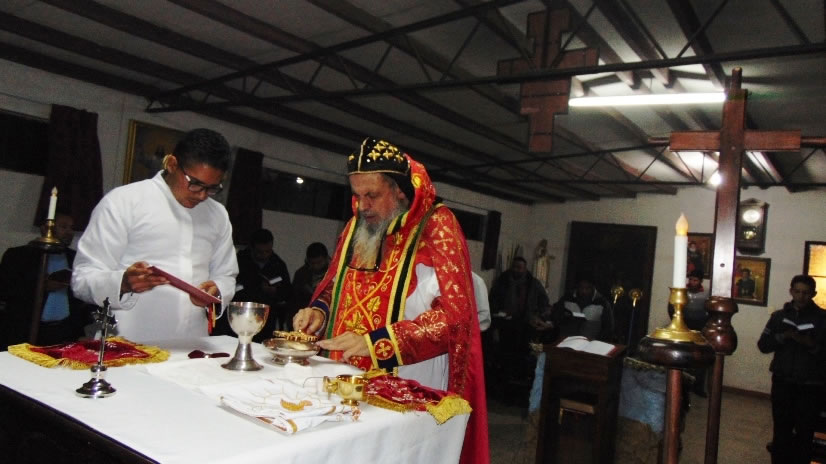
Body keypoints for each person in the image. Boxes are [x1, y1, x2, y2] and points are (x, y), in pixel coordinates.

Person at [292, 137, 487, 464]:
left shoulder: (436, 225)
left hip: (410, 381)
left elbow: (455, 318)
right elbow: (338, 285)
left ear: (399, 191)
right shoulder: (356, 226)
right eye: (356, 196)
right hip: (347, 380)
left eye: (372, 195)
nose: (362, 206)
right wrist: (320, 312)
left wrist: (377, 343)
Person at [72, 128, 238, 341]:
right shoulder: (124, 202)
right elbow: (82, 279)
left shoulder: (217, 215)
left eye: (212, 188)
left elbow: (226, 275)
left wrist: (217, 291)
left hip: (191, 344)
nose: (202, 195)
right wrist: (123, 283)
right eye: (196, 184)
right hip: (127, 343)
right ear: (172, 164)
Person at [758, 275, 826, 464]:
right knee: (781, 430)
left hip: (810, 384)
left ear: (813, 294)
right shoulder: (779, 316)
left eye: (806, 293)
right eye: (797, 292)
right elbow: (763, 345)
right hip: (783, 381)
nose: (801, 297)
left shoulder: (822, 319)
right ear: (791, 291)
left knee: (805, 432)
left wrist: (811, 344)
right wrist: (783, 336)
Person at [0, 212, 91, 348]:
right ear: (45, 228)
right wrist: (41, 287)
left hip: (63, 331)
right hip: (25, 330)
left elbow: (78, 301)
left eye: (71, 228)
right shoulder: (18, 256)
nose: (69, 232)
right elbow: (6, 290)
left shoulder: (74, 258)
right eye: (63, 227)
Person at [487, 256, 550, 396]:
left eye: (519, 268)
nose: (516, 270)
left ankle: (517, 389)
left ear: (525, 269)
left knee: (522, 356)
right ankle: (503, 387)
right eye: (514, 267)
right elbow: (493, 299)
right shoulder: (502, 282)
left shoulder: (533, 284)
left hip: (526, 326)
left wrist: (539, 316)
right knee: (505, 355)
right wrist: (497, 314)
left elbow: (544, 302)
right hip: (505, 324)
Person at [233, 228, 291, 339]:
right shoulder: (240, 261)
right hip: (241, 314)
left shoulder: (278, 264)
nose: (264, 255)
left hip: (266, 318)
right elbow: (233, 287)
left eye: (268, 251)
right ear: (252, 248)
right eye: (259, 252)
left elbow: (287, 292)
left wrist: (274, 291)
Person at [669, 269, 710, 396]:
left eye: (695, 280)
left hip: (699, 328)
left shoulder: (706, 294)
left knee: (700, 357)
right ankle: (680, 384)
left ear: (700, 281)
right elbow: (671, 308)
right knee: (683, 356)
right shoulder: (682, 291)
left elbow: (709, 311)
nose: (692, 282)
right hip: (683, 327)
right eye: (691, 279)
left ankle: (698, 387)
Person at [551, 273, 614, 342]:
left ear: (593, 288)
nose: (584, 291)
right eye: (581, 288)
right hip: (567, 342)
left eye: (587, 288)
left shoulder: (602, 303)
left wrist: (596, 341)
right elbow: (556, 317)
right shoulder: (567, 298)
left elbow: (608, 327)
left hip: (590, 344)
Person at [291, 242, 329, 311]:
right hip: (305, 312)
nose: (316, 266)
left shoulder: (333, 275)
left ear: (326, 258)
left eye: (319, 262)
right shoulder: (301, 274)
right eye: (312, 263)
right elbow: (294, 300)